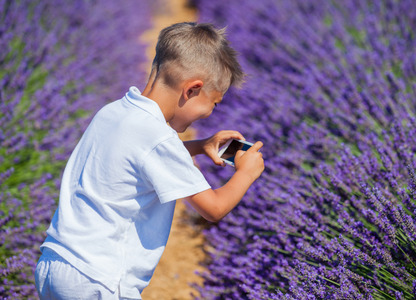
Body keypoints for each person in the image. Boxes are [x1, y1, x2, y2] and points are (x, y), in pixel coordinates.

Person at [34, 22, 264, 299]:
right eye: (213, 103)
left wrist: (199, 146)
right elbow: (213, 208)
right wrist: (245, 174)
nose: (210, 114)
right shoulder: (159, 139)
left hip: (56, 263)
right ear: (191, 90)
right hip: (99, 279)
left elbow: (135, 157)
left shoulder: (115, 111)